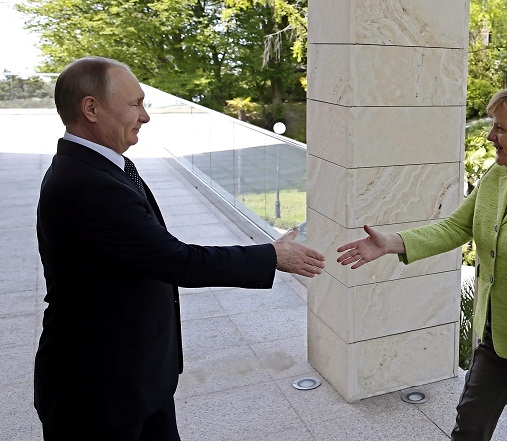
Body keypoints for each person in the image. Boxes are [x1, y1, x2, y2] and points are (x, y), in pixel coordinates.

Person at [35, 56, 325, 441]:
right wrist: (272, 256)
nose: (145, 116)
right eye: (135, 103)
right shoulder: (86, 183)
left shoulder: (99, 167)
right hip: (100, 390)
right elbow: (176, 260)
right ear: (91, 108)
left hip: (137, 376)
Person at [337, 85, 507, 441]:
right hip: (496, 336)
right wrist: (392, 243)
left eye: (501, 128)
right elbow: (456, 227)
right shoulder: (498, 176)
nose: (491, 136)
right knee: (469, 427)